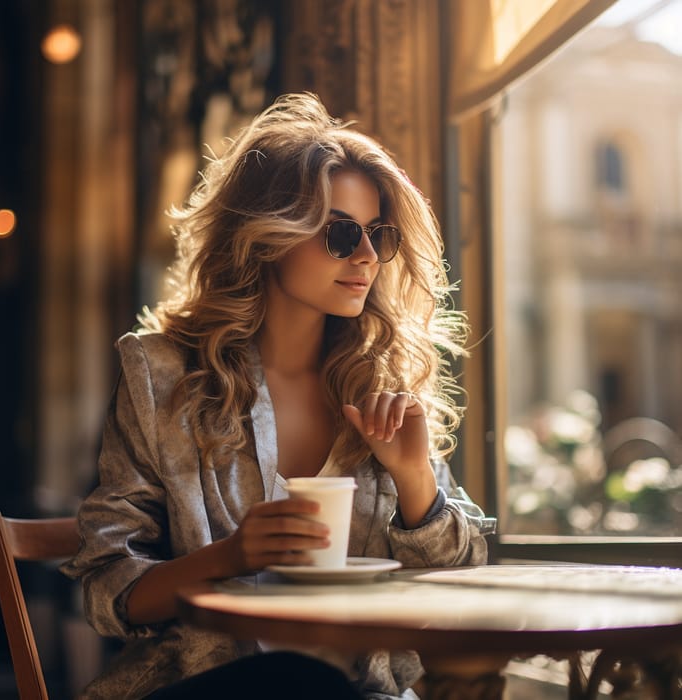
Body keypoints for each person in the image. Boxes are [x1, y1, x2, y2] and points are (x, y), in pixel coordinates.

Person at [61, 92, 496, 700]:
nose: (367, 257)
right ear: (267, 237)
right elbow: (109, 590)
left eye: (378, 234)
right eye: (341, 234)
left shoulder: (381, 387)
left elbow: (462, 587)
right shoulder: (161, 376)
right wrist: (229, 557)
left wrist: (416, 482)